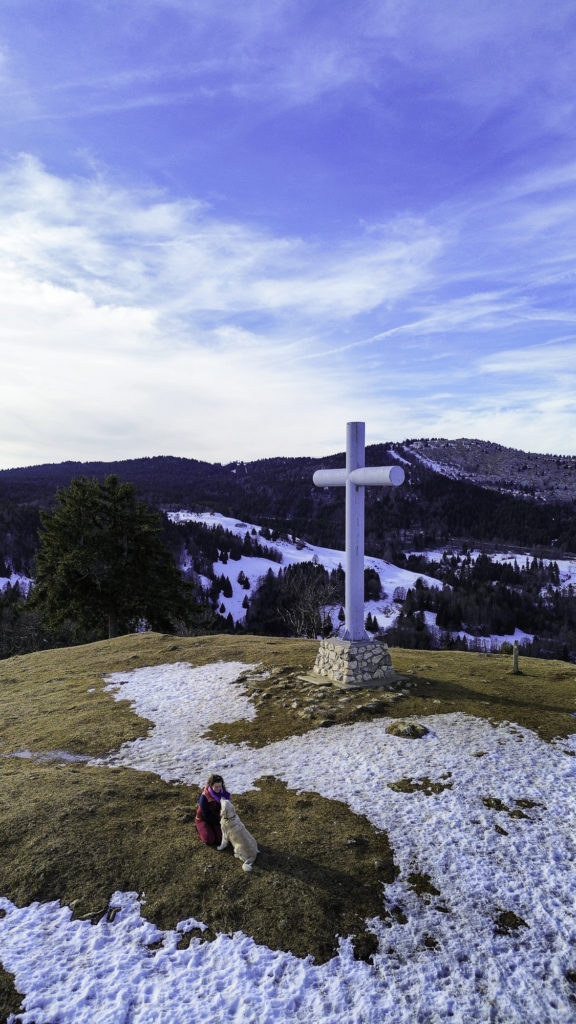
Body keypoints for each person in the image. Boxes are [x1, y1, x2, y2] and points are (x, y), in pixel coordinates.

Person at [195, 773, 230, 847]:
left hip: (217, 818)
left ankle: (212, 830)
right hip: (204, 819)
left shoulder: (224, 794)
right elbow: (206, 815)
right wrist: (219, 822)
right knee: (209, 839)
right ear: (211, 785)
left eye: (220, 786)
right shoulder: (204, 797)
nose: (218, 789)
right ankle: (199, 828)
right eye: (216, 787)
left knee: (222, 839)